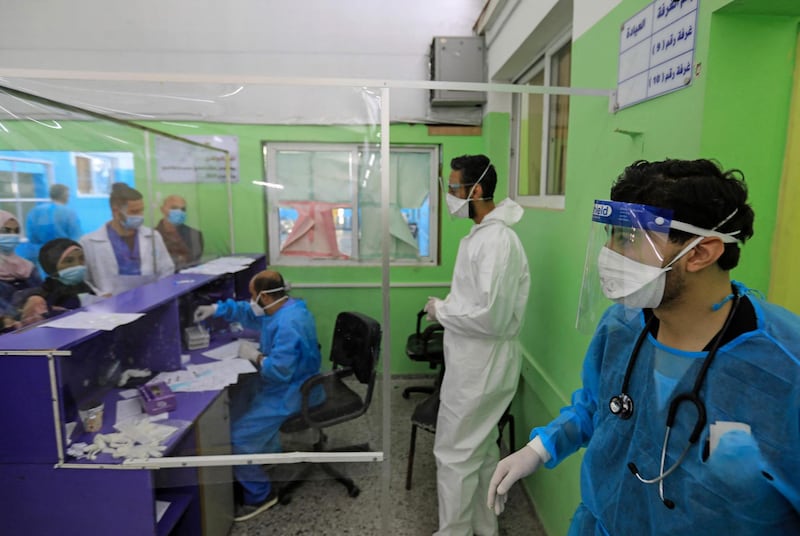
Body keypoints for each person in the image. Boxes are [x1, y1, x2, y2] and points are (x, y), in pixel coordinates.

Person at [488, 159, 800, 534]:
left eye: (629, 238)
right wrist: (540, 449)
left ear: (701, 253)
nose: (610, 252)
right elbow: (598, 405)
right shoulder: (622, 325)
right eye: (611, 234)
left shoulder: (784, 370)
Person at [424, 154, 530, 536]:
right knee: (481, 451)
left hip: (482, 365)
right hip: (473, 361)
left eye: (454, 188)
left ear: (477, 190)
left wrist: (441, 312)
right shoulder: (482, 236)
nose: (451, 196)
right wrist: (448, 307)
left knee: (454, 454)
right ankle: (484, 528)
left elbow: (490, 317)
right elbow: (477, 304)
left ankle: (452, 532)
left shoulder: (499, 242)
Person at [193, 270, 324, 522]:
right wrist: (216, 308)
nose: (250, 300)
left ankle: (261, 495)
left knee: (237, 437)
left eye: (252, 296)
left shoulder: (288, 324)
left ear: (263, 296)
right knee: (240, 407)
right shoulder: (284, 307)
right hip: (283, 385)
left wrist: (255, 356)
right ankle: (263, 458)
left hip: (293, 392)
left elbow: (278, 372)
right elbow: (248, 312)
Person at [80, 183, 174, 295]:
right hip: (110, 305)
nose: (140, 216)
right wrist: (100, 295)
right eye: (134, 212)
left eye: (141, 210)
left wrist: (156, 292)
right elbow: (84, 281)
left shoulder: (153, 236)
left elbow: (167, 269)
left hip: (150, 299)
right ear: (116, 211)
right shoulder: (89, 242)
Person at [19, 184, 82, 273]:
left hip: (41, 256)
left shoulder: (35, 212)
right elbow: (76, 239)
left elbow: (31, 237)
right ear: (65, 196)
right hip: (65, 258)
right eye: (68, 195)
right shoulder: (69, 213)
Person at [36, 238, 96, 311]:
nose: (78, 265)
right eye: (69, 261)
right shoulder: (47, 296)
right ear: (51, 266)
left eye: (81, 258)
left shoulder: (84, 286)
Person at [0, 210, 43, 306]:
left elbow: (43, 293)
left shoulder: (28, 266)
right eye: (5, 231)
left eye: (16, 231)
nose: (12, 235)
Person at [155, 194, 204, 270]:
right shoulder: (152, 235)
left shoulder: (195, 235)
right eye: (174, 208)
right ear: (162, 209)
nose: (179, 212)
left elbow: (193, 260)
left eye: (183, 209)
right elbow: (156, 262)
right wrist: (179, 258)